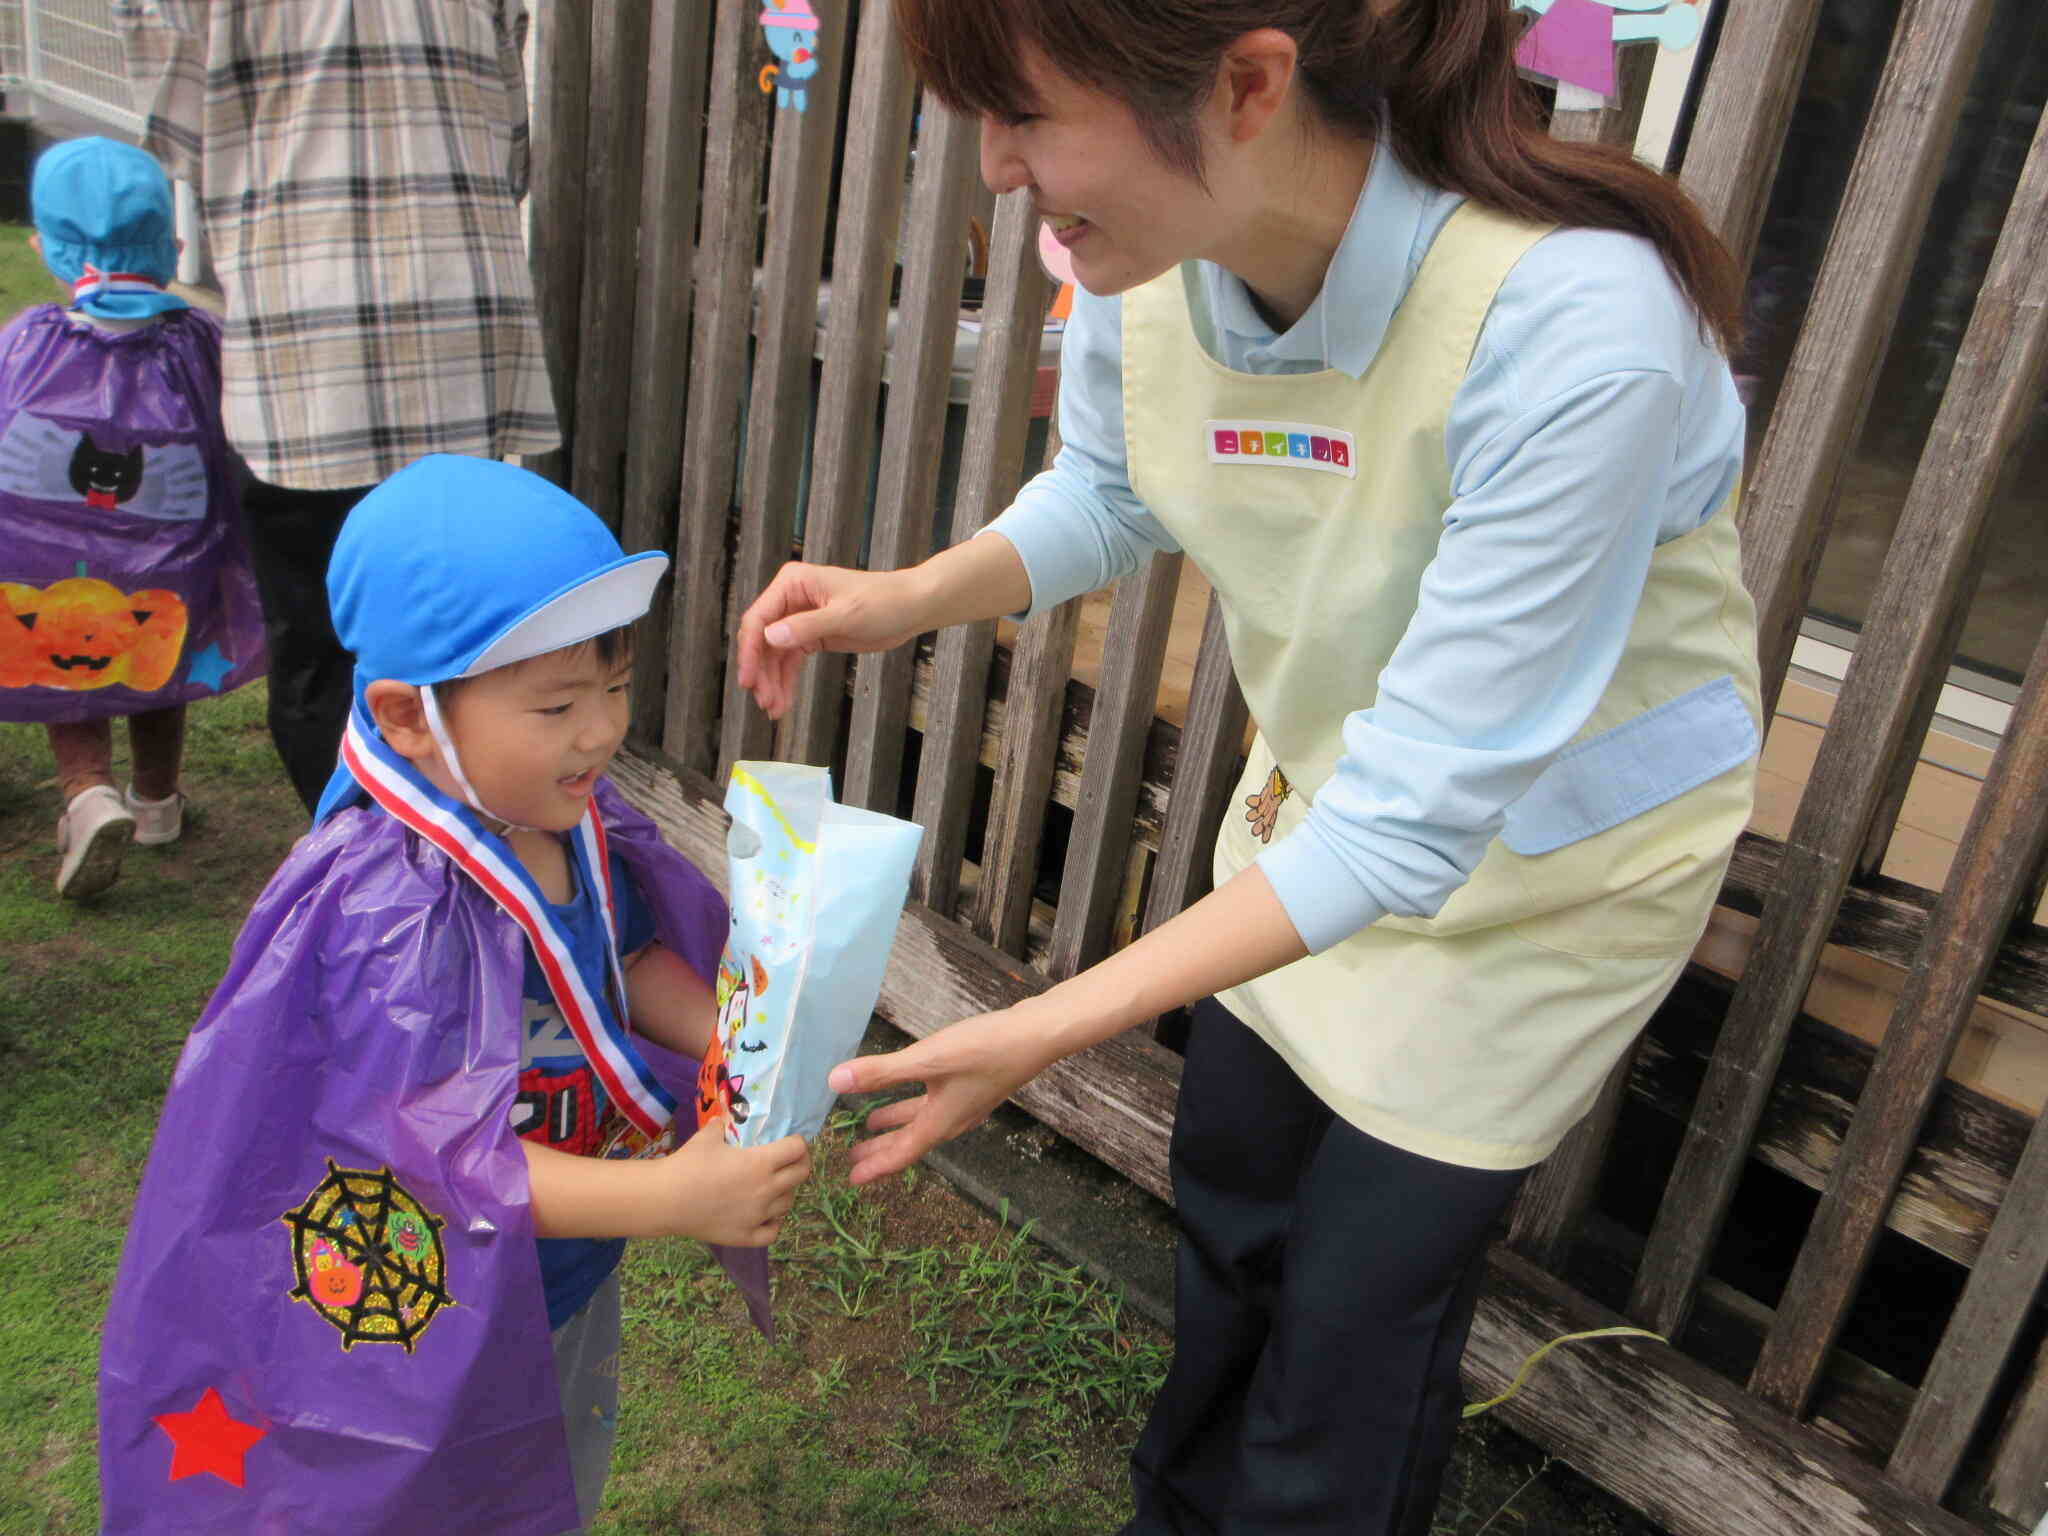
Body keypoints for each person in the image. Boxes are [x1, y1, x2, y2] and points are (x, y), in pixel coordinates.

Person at [737, 2, 1762, 1531]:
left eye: (1022, 113)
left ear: (1249, 85)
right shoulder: (1146, 263)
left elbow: (1419, 820)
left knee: (1352, 1327)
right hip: (1315, 823)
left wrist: (1038, 1029)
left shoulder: (1579, 329)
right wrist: (909, 597)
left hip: (1540, 887)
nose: (999, 174)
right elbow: (1110, 484)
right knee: (1231, 1215)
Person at [100, 457, 810, 1536]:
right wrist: (670, 1199)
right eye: (559, 703)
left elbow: (629, 962)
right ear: (410, 717)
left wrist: (740, 1038)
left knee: (549, 1480)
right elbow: (424, 1158)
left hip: (558, 1280)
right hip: (423, 1312)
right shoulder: (394, 904)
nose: (601, 730)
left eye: (614, 687)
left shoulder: (563, 808)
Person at [114, 0, 561, 813]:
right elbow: (512, 149)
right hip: (458, 337)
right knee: (458, 633)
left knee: (324, 646)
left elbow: (172, 129)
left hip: (307, 351)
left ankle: (360, 875)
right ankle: (458, 850)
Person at [0, 135, 263, 899]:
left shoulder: (25, 345)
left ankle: (87, 791)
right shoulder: (200, 343)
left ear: (47, 248)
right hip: (170, 557)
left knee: (65, 647)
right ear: (173, 245)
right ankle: (156, 802)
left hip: (43, 563)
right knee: (160, 652)